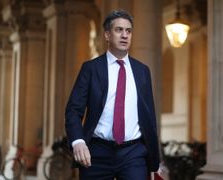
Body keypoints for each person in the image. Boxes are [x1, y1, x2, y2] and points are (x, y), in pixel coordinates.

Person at [65, 9, 162, 180]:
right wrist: (78, 141)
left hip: (133, 153)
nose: (125, 35)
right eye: (119, 30)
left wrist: (154, 163)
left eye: (128, 31)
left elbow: (149, 118)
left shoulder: (142, 71)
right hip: (96, 153)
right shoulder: (91, 69)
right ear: (107, 35)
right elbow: (73, 110)